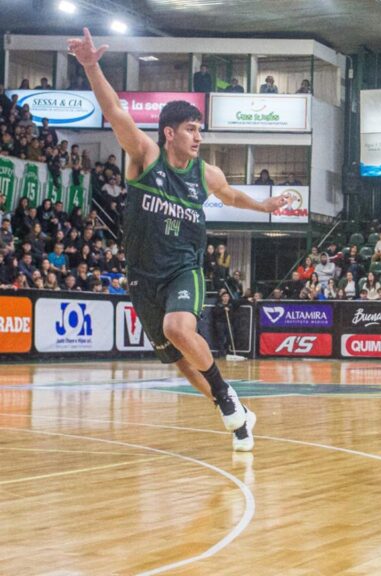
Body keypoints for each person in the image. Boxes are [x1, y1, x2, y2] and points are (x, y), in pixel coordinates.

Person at [68, 28, 289, 451]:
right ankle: (237, 416)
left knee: (178, 326)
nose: (199, 137)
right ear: (169, 133)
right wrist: (91, 65)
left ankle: (225, 395)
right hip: (141, 275)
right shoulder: (145, 159)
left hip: (184, 268)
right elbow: (114, 110)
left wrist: (265, 207)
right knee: (180, 362)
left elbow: (231, 195)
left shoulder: (205, 174)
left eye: (199, 129)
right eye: (191, 129)